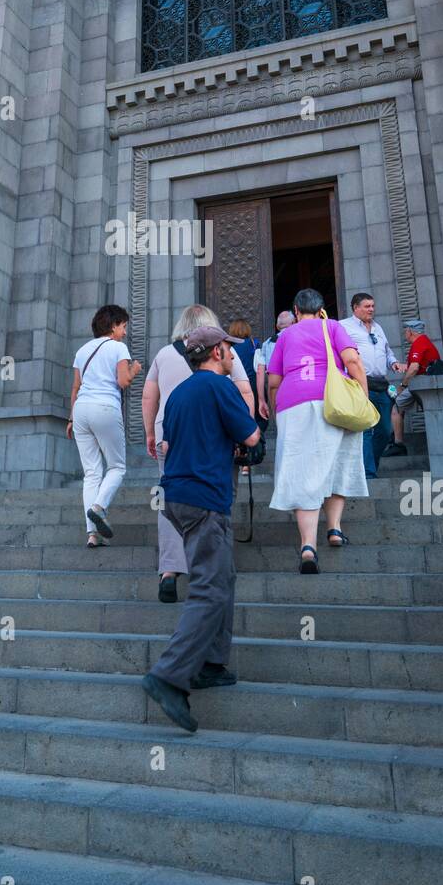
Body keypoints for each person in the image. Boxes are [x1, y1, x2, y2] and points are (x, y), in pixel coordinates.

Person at [142, 325, 261, 733]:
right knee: (210, 588)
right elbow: (251, 434)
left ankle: (212, 663)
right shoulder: (219, 386)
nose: (232, 353)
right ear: (216, 352)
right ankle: (168, 675)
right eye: (228, 347)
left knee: (221, 577)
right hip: (206, 498)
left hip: (175, 495)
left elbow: (174, 439)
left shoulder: (178, 395)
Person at [142, 305, 255, 602]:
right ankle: (213, 560)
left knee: (171, 497)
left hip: (171, 434)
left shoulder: (164, 354)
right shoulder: (222, 353)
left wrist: (151, 433)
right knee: (219, 493)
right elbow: (244, 390)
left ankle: (169, 570)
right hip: (215, 434)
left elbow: (148, 395)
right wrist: (244, 433)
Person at [268, 289, 369, 573]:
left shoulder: (286, 335)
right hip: (333, 401)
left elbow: (274, 380)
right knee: (340, 462)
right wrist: (363, 395)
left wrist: (276, 409)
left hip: (294, 403)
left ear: (296, 311)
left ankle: (307, 546)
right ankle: (334, 529)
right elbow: (352, 361)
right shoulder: (334, 326)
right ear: (322, 309)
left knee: (302, 470)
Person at [67, 305, 141, 546]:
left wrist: (70, 418)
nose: (125, 332)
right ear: (113, 326)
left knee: (91, 473)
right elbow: (123, 381)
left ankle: (92, 534)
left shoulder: (81, 350)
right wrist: (135, 369)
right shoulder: (118, 347)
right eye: (123, 326)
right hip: (104, 407)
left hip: (81, 411)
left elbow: (75, 388)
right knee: (117, 466)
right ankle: (99, 508)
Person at [339, 292, 403, 477]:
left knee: (385, 430)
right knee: (365, 430)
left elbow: (387, 351)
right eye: (367, 306)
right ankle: (368, 473)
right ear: (355, 308)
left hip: (381, 385)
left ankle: (370, 466)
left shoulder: (378, 327)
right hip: (358, 384)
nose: (371, 310)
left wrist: (393, 363)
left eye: (372, 306)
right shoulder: (344, 326)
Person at [382, 319, 441, 458]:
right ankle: (395, 438)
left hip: (420, 383)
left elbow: (414, 368)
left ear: (410, 331)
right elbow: (417, 365)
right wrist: (404, 366)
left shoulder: (419, 343)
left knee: (395, 406)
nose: (405, 334)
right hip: (424, 382)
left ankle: (398, 444)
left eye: (406, 331)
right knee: (399, 407)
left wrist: (402, 386)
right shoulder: (425, 341)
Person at [255, 310, 295, 422]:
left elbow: (260, 372)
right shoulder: (299, 337)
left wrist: (261, 399)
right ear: (293, 322)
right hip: (297, 386)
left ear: (277, 326)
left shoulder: (267, 344)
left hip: (276, 390)